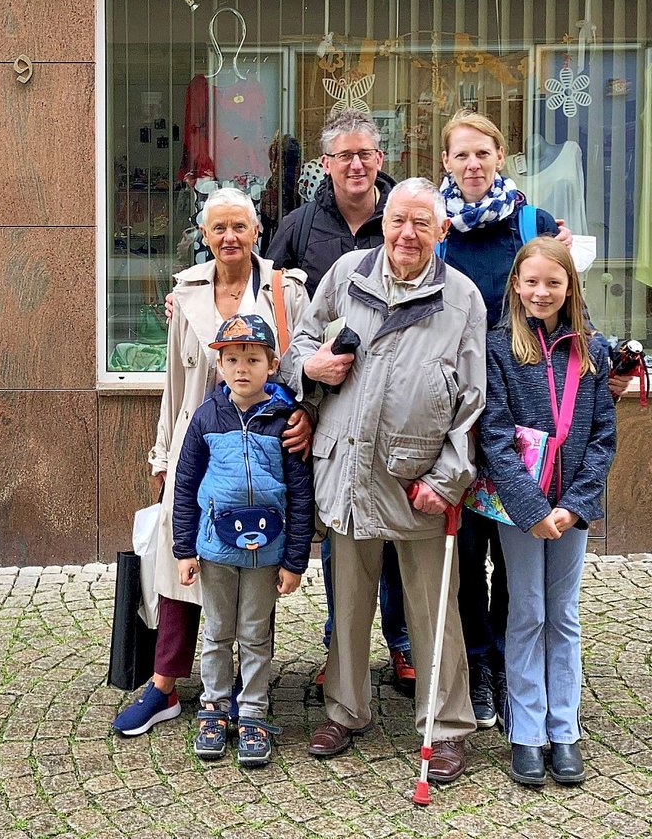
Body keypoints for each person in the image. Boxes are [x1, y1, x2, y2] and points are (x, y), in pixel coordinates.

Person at [281, 177, 486, 784]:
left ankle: (445, 726)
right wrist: (309, 368)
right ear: (384, 222)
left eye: (423, 223)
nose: (408, 234)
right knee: (347, 601)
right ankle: (346, 710)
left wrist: (448, 480)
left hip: (417, 479)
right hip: (348, 468)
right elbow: (300, 350)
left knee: (433, 610)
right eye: (399, 220)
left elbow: (474, 403)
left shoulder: (463, 300)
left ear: (441, 231)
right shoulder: (347, 274)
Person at [111, 187, 312, 737]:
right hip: (197, 443)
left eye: (239, 227)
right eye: (218, 228)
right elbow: (174, 383)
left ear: (256, 233)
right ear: (204, 236)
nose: (229, 238)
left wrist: (306, 416)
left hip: (263, 447)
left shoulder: (284, 290)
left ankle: (249, 697)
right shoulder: (186, 292)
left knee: (251, 562)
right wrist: (161, 453)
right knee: (179, 567)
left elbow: (303, 365)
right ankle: (164, 684)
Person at [266, 109, 414, 698]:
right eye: (343, 156)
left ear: (381, 159)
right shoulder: (300, 227)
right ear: (324, 166)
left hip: (399, 402)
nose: (356, 164)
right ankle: (340, 644)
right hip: (331, 403)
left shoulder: (403, 220)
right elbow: (263, 298)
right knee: (344, 531)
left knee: (402, 526)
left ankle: (402, 646)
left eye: (366, 154)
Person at [438, 109, 564, 730]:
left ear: (499, 157)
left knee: (518, 548)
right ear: (446, 163)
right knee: (464, 554)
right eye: (461, 155)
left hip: (524, 415)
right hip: (458, 413)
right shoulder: (432, 229)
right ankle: (478, 666)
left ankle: (519, 667)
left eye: (482, 153)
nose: (473, 165)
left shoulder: (532, 223)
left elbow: (563, 309)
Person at [479, 238, 616, 787]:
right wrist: (532, 508)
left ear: (569, 288)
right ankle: (527, 731)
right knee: (527, 613)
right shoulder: (499, 348)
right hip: (521, 509)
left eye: (552, 283)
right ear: (516, 284)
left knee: (563, 616)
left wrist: (574, 505)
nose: (541, 292)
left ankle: (565, 728)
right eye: (531, 282)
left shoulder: (591, 350)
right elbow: (494, 437)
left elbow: (603, 435)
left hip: (570, 510)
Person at [172, 314, 313, 766]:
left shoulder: (285, 420)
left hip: (266, 552)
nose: (241, 369)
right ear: (220, 365)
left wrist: (295, 560)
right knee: (216, 632)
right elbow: (186, 483)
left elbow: (300, 492)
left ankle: (252, 710)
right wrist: (184, 548)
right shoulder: (206, 417)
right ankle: (214, 707)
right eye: (231, 359)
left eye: (252, 359)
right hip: (215, 548)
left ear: (272, 364)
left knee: (254, 634)